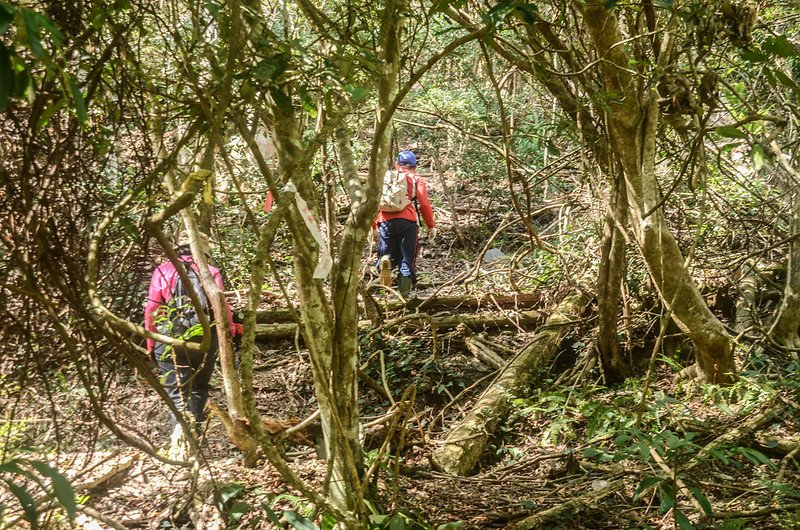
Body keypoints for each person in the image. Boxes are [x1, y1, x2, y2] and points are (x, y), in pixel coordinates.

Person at [144, 229, 239, 434]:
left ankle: (182, 437)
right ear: (203, 250)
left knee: (177, 390)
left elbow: (152, 308)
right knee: (199, 388)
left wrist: (150, 341)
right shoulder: (211, 271)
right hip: (206, 336)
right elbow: (221, 306)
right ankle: (193, 432)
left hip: (170, 337)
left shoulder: (163, 270)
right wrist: (229, 335)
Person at [374, 150, 436, 295]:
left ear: (396, 164)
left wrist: (373, 226)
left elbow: (373, 202)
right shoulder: (416, 179)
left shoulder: (385, 178)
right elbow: (424, 204)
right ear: (414, 167)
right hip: (408, 222)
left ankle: (385, 284)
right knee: (407, 259)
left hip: (384, 221)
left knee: (386, 254)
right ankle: (404, 296)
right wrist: (431, 225)